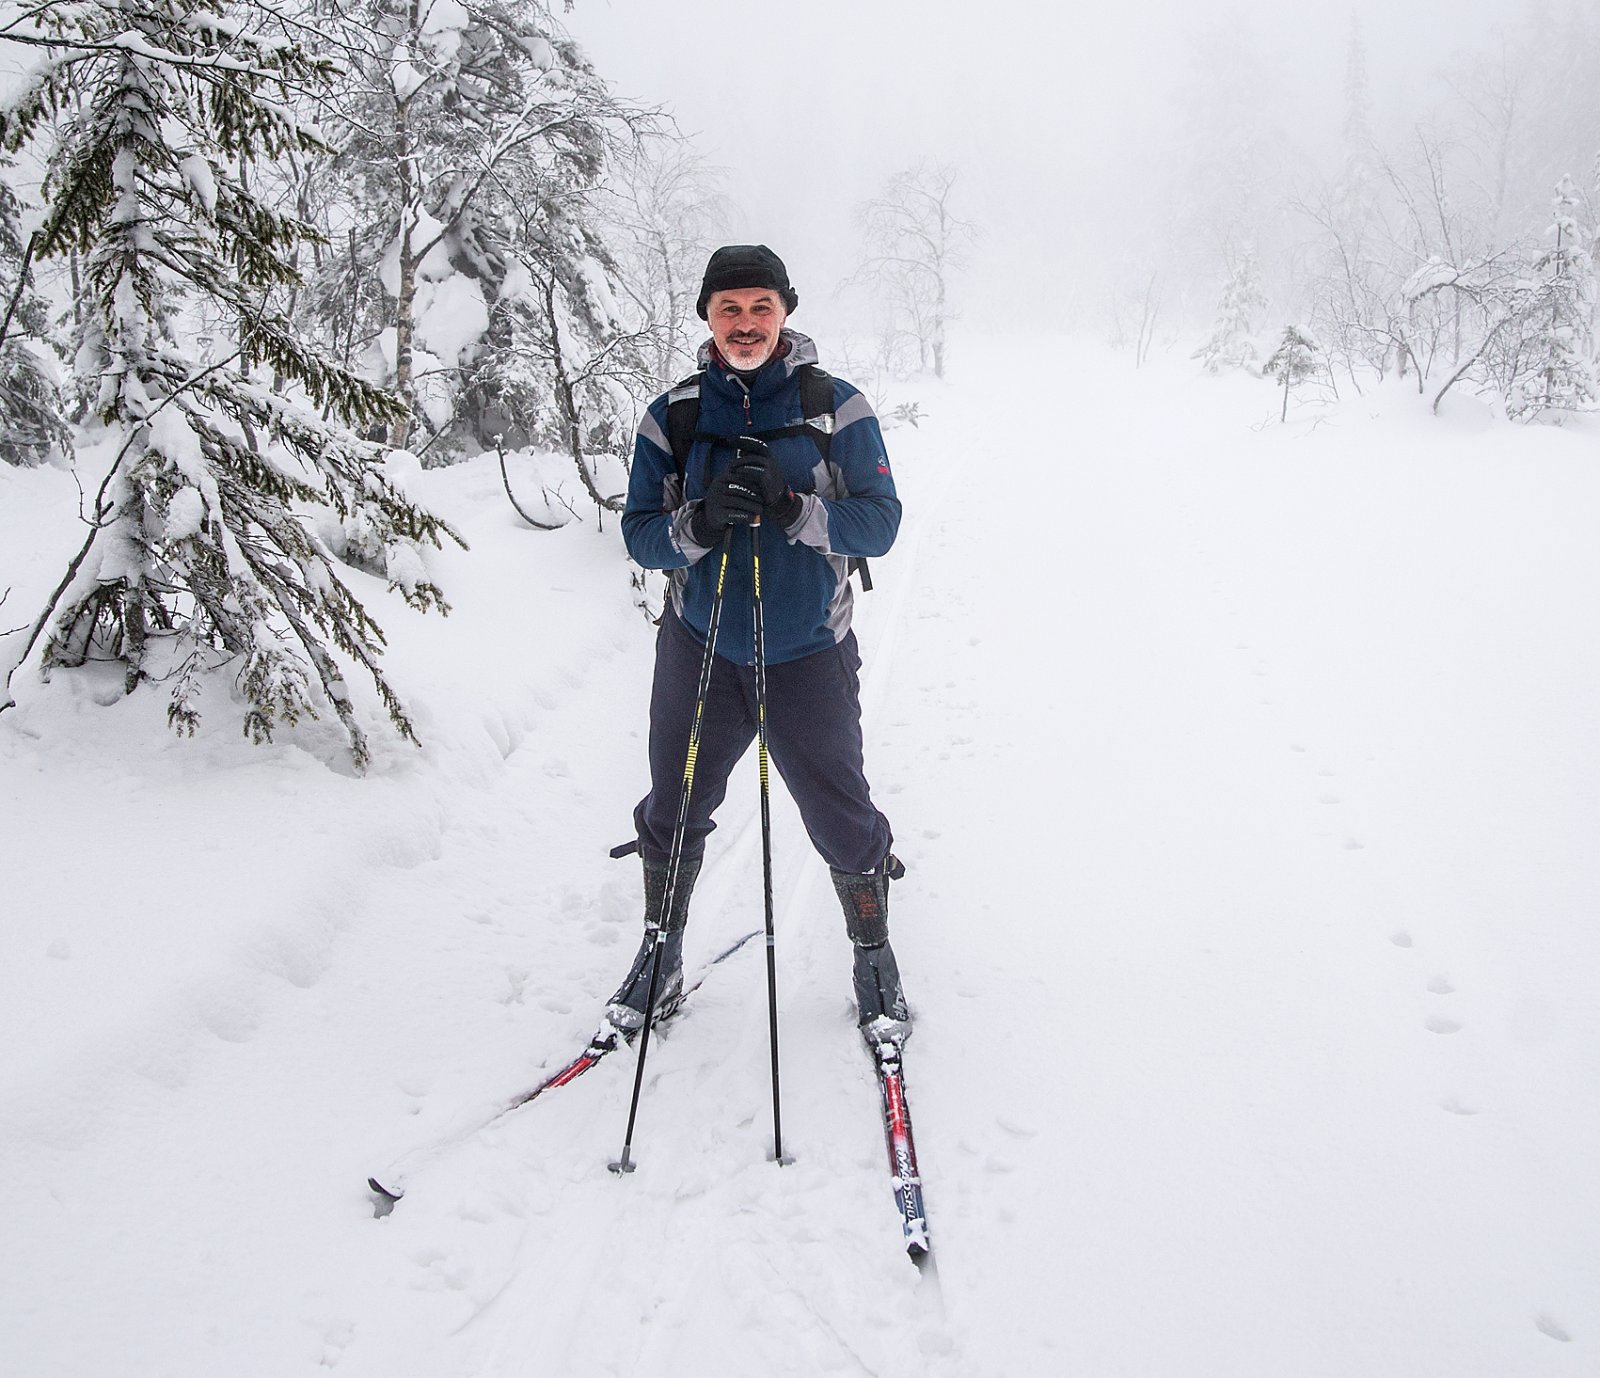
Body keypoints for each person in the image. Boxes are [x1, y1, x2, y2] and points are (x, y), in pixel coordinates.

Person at [611, 244, 909, 1045]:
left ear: (786, 313)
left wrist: (794, 510)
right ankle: (659, 952)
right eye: (729, 309)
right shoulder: (672, 415)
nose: (746, 325)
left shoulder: (835, 407)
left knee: (842, 817)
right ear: (707, 316)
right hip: (701, 646)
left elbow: (880, 523)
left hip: (809, 647)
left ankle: (873, 955)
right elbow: (641, 538)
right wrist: (700, 525)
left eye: (761, 308)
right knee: (672, 809)